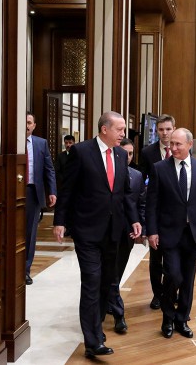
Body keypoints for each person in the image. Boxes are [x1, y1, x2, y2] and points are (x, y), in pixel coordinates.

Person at [53, 111, 141, 358]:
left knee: (106, 283)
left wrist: (134, 219)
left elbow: (124, 194)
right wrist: (59, 220)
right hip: (87, 230)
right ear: (105, 129)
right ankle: (92, 341)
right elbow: (67, 189)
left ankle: (96, 329)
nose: (123, 134)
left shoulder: (122, 155)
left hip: (114, 231)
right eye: (120, 129)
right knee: (91, 282)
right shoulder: (81, 152)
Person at [146, 128, 196, 339]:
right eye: (172, 144)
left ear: (190, 145)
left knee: (188, 280)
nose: (173, 148)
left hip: (193, 233)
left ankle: (181, 320)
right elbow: (151, 203)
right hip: (168, 233)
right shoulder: (159, 168)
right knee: (173, 275)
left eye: (178, 144)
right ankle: (167, 317)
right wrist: (151, 231)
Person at [107, 138, 146, 334]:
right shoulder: (106, 172)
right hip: (105, 231)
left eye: (130, 154)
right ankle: (118, 314)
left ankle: (110, 300)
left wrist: (141, 228)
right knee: (110, 274)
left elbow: (141, 205)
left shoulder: (137, 176)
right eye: (124, 153)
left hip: (126, 233)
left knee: (117, 272)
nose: (127, 158)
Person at [138, 114, 176, 310]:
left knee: (173, 256)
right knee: (156, 257)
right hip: (155, 210)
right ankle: (157, 294)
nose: (165, 133)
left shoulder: (180, 149)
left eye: (168, 129)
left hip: (175, 212)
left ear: (173, 129)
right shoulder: (147, 152)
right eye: (161, 129)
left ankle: (171, 292)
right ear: (156, 131)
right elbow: (141, 181)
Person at [25, 112, 57, 286]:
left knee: (30, 233)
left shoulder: (41, 143)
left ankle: (25, 270)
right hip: (12, 192)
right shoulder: (10, 142)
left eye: (29, 122)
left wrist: (52, 191)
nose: (26, 125)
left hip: (32, 192)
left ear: (34, 125)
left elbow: (49, 169)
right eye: (23, 122)